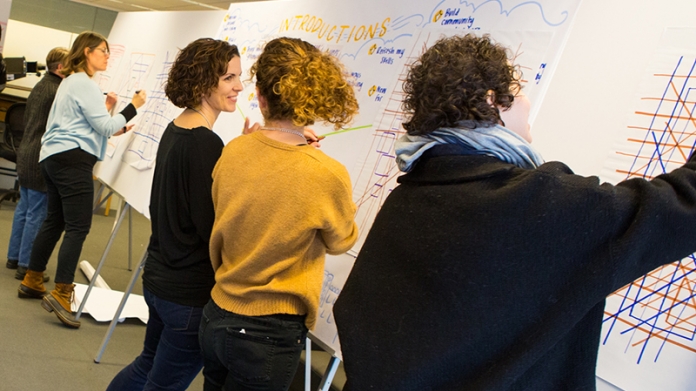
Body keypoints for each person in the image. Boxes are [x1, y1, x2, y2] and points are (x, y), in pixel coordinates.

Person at [333, 34, 696, 391]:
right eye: (519, 90)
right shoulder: (537, 201)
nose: (526, 102)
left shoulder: (409, 196)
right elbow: (681, 206)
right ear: (494, 100)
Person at [199, 36, 359, 391]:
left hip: (217, 313)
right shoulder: (326, 173)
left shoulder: (234, 151)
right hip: (269, 332)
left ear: (260, 95)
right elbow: (342, 240)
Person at [106, 37, 245, 391]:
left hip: (161, 278)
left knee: (145, 368)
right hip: (187, 293)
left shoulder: (176, 129)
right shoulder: (205, 143)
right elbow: (212, 227)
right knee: (162, 384)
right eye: (229, 78)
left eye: (238, 77)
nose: (239, 87)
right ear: (203, 81)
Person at [17, 31, 146, 329]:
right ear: (87, 52)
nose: (107, 56)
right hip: (72, 160)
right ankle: (63, 292)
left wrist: (113, 117)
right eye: (103, 50)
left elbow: (92, 126)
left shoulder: (69, 82)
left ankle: (33, 278)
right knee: (78, 226)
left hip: (53, 157)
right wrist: (133, 105)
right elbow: (103, 125)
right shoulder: (85, 84)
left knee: (55, 221)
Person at [5, 47, 68, 282]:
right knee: (37, 213)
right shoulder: (57, 91)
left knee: (25, 208)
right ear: (61, 67)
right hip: (40, 155)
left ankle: (14, 258)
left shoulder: (41, 85)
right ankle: (26, 265)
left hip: (26, 152)